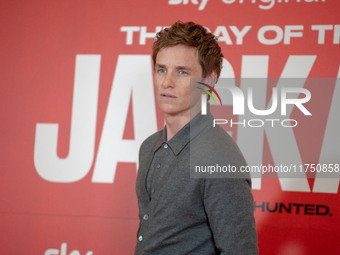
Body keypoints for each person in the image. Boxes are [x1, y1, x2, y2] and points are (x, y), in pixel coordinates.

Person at [135, 21, 258, 255]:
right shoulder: (148, 147)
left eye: (182, 72)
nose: (167, 82)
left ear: (209, 81)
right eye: (162, 69)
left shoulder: (219, 159)